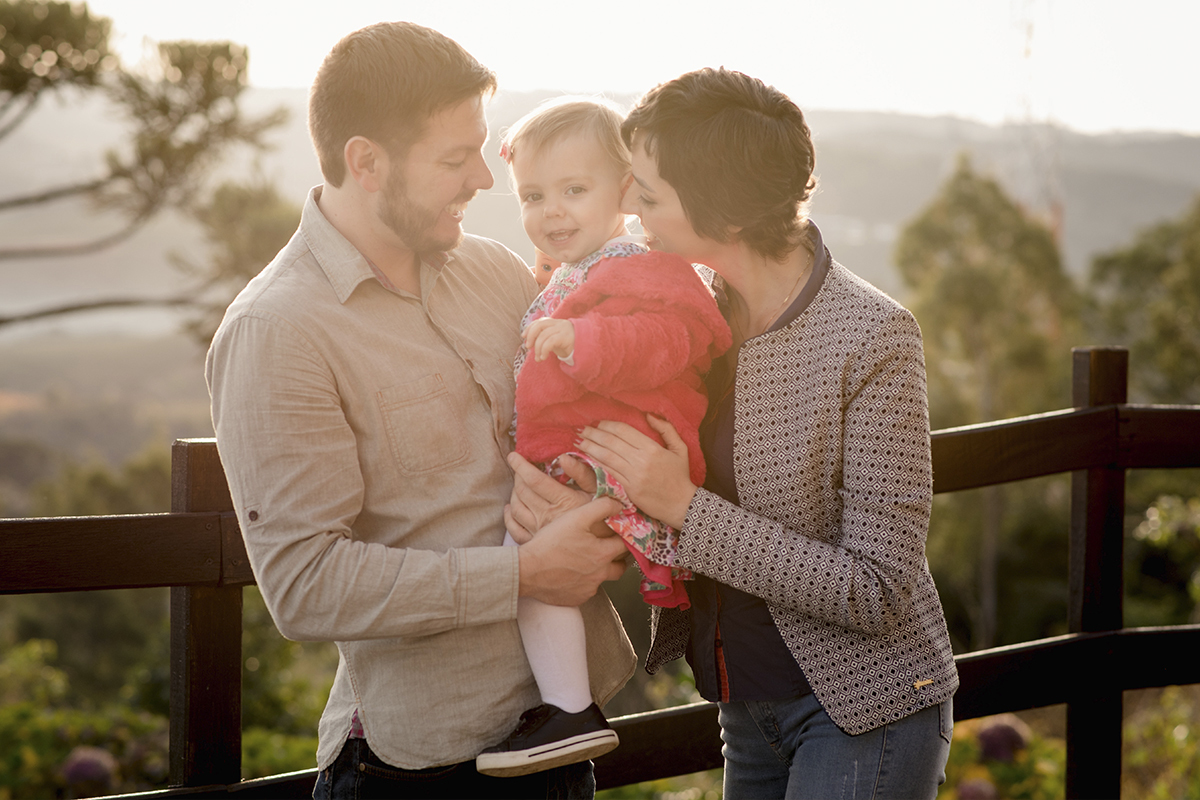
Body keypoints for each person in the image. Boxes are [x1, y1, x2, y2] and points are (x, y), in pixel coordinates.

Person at [205, 22, 637, 800]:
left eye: (480, 148)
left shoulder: (499, 274)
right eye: (453, 158)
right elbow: (304, 585)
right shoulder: (278, 330)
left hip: (559, 735)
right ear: (365, 161)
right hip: (416, 769)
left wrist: (588, 499)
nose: (482, 177)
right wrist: (524, 573)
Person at [509, 68, 959, 799]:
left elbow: (877, 589)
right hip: (743, 706)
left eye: (646, 193)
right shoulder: (683, 310)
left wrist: (684, 507)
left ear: (724, 214)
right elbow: (618, 445)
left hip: (863, 709)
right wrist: (569, 496)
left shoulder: (872, 338)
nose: (628, 203)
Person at [475, 98, 730, 778]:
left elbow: (672, 339)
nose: (551, 211)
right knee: (525, 558)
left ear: (622, 191)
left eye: (573, 190)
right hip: (586, 450)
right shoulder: (582, 268)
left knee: (525, 562)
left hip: (626, 449)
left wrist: (582, 339)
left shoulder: (643, 265)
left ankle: (568, 710)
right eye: (533, 195)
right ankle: (564, 707)